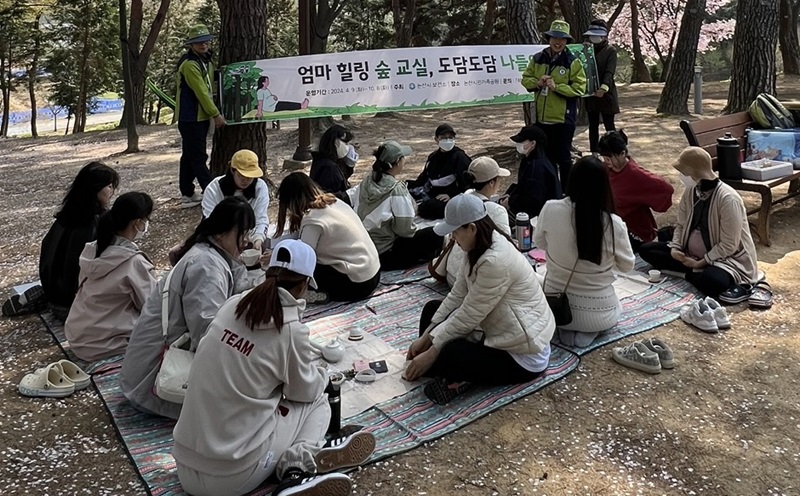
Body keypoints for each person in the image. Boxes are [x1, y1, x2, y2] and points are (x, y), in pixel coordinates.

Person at [172, 239, 376, 496]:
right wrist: (320, 374)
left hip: (185, 466)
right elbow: (305, 392)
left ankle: (303, 454)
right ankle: (295, 472)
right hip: (230, 476)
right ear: (304, 286)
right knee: (319, 398)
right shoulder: (289, 330)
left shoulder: (232, 305)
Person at [404, 194, 555, 404]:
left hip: (522, 351)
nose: (453, 238)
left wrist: (432, 350)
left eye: (456, 231)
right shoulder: (476, 246)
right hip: (498, 331)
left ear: (472, 228)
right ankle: (446, 369)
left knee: (450, 352)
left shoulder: (495, 260)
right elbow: (457, 295)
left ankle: (453, 374)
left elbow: (469, 315)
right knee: (432, 311)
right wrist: (427, 337)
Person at [121, 197, 257, 419]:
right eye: (242, 234)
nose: (246, 241)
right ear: (221, 232)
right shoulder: (206, 266)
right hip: (156, 381)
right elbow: (208, 334)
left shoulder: (209, 252)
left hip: (146, 371)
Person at [533, 156, 635, 348]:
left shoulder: (550, 208)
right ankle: (586, 332)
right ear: (605, 185)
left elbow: (540, 242)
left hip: (555, 305)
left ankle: (566, 329)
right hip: (600, 313)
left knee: (536, 277)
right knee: (615, 306)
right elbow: (627, 266)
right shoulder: (613, 224)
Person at [639, 147, 759, 301]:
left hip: (723, 259)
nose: (681, 176)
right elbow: (681, 225)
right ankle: (692, 271)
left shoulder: (728, 199)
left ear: (692, 170)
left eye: (683, 171)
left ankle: (689, 274)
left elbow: (730, 245)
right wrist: (676, 248)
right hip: (690, 254)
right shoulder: (690, 191)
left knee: (714, 282)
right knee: (646, 250)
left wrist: (702, 262)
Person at [64, 192, 157, 362]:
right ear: (137, 223)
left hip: (77, 337)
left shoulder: (91, 250)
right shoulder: (135, 263)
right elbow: (152, 308)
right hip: (106, 344)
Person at [276, 173, 380, 302]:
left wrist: (277, 258)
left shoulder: (313, 220)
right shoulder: (335, 202)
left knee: (291, 271)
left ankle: (304, 294)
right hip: (373, 273)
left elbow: (302, 258)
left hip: (357, 284)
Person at [40, 162, 120, 321]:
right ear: (95, 188)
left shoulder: (64, 218)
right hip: (76, 308)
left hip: (55, 299)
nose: (111, 192)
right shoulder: (93, 224)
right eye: (109, 186)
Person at [521, 20, 587, 190]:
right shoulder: (538, 58)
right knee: (545, 158)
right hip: (541, 120)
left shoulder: (573, 61)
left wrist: (557, 87)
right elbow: (525, 78)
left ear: (567, 42)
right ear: (549, 39)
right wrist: (538, 82)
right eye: (554, 38)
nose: (558, 42)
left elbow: (579, 88)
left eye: (562, 39)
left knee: (564, 159)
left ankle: (566, 192)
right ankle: (550, 190)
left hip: (563, 120)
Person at [356, 140, 443, 270]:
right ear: (397, 162)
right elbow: (405, 230)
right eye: (403, 158)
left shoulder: (367, 181)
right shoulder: (395, 190)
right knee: (435, 234)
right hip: (385, 253)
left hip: (366, 246)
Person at [175, 24, 226, 209]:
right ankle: (213, 194)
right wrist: (216, 115)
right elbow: (201, 92)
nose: (203, 44)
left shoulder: (205, 61)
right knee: (198, 157)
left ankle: (187, 194)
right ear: (191, 45)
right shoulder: (189, 64)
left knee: (189, 156)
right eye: (198, 42)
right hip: (191, 118)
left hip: (199, 118)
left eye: (205, 41)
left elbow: (209, 83)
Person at [442, 157, 512, 287]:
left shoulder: (464, 197)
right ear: (492, 183)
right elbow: (505, 247)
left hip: (451, 272)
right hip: (469, 280)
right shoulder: (496, 210)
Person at [598, 130, 673, 251]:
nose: (607, 162)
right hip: (610, 227)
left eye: (609, 158)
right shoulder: (604, 169)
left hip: (633, 233)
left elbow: (666, 189)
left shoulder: (636, 175)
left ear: (622, 153)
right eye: (604, 158)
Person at [202, 149, 270, 250]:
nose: (246, 180)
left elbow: (261, 217)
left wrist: (258, 239)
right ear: (232, 170)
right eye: (241, 176)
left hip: (248, 237)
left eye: (250, 177)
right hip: (220, 238)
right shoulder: (214, 189)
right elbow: (210, 220)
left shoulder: (260, 187)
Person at [407, 123, 472, 220]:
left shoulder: (459, 157)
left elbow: (468, 183)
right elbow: (424, 177)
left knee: (431, 207)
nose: (447, 140)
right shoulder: (433, 157)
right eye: (443, 138)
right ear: (436, 139)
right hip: (432, 192)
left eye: (450, 137)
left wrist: (450, 195)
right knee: (404, 187)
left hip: (450, 197)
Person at [501, 124, 562, 219]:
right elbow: (524, 188)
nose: (518, 144)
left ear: (533, 143)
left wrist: (510, 202)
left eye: (522, 141)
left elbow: (533, 201)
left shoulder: (536, 167)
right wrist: (511, 194)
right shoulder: (532, 160)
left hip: (541, 216)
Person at [584, 19, 620, 154]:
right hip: (591, 94)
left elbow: (609, 72)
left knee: (609, 126)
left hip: (606, 94)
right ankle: (594, 153)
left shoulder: (610, 50)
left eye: (597, 34)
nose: (594, 37)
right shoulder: (586, 50)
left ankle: (615, 152)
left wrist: (604, 87)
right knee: (593, 126)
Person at [309, 125, 356, 205]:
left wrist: (349, 166)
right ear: (336, 142)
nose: (349, 147)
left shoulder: (322, 160)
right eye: (346, 143)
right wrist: (353, 194)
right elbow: (331, 196)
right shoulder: (329, 168)